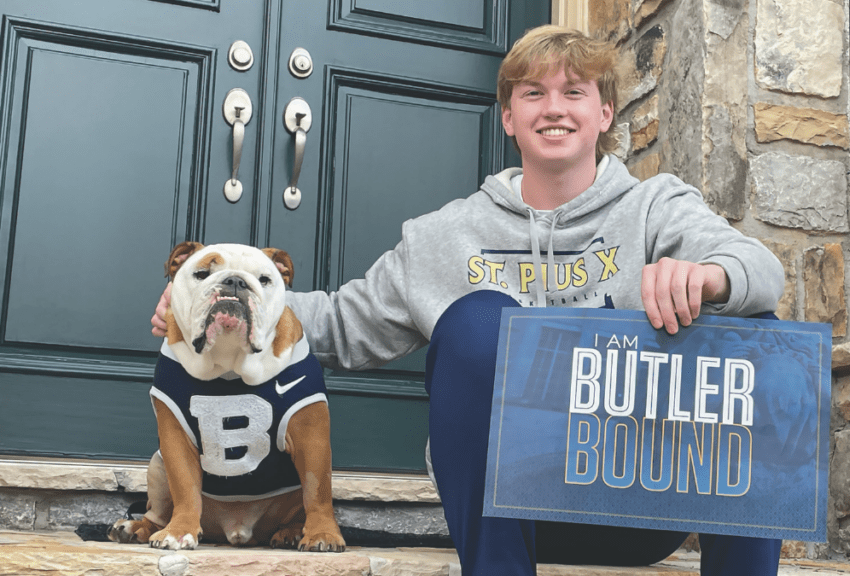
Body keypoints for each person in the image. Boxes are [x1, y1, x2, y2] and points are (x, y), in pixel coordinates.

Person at [153, 25, 785, 576]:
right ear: (508, 117)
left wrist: (709, 279)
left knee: (757, 328)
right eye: (532, 93)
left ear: (605, 114)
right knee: (479, 318)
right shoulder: (443, 235)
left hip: (635, 503)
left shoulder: (656, 207)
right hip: (500, 510)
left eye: (574, 93)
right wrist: (207, 303)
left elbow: (761, 269)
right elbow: (342, 322)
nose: (553, 108)